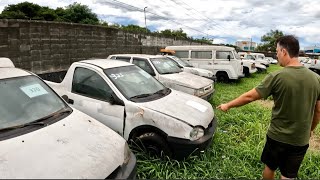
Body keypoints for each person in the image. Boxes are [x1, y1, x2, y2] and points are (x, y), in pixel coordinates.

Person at [217, 35, 320, 179]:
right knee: (289, 175)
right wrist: (310, 130)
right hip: (300, 140)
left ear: (284, 52)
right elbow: (318, 111)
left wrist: (227, 105)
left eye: (277, 52)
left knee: (270, 168)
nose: (277, 55)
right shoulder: (316, 79)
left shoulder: (276, 76)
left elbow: (250, 96)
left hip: (277, 137)